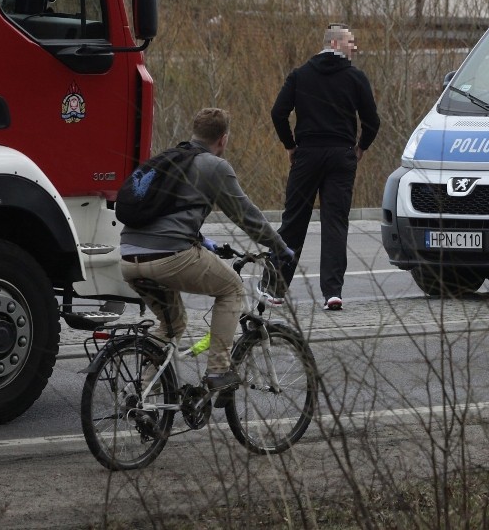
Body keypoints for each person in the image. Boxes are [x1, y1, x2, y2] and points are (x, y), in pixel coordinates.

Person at [120, 108, 294, 391]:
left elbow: (166, 212)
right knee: (232, 288)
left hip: (128, 256)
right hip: (169, 256)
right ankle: (217, 372)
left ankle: (143, 396)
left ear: (194, 133)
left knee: (173, 325)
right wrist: (280, 247)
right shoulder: (214, 166)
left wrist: (203, 240)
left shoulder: (170, 160)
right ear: (223, 139)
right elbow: (245, 215)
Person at [268, 23, 380, 311]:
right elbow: (372, 121)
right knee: (334, 223)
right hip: (341, 156)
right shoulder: (355, 77)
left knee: (293, 221)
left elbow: (278, 113)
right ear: (334, 43)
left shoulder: (300, 75)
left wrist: (290, 145)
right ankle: (332, 292)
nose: (354, 47)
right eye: (350, 42)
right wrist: (360, 147)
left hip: (307, 155)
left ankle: (275, 289)